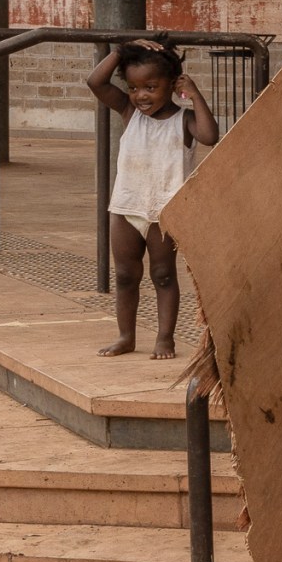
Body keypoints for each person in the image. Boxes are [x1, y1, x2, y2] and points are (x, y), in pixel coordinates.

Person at [85, 40, 218, 359]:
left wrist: (195, 94)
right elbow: (95, 82)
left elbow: (210, 137)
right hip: (126, 208)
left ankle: (165, 339)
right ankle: (126, 336)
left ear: (173, 85)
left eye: (150, 87)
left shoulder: (183, 121)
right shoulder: (130, 112)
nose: (140, 95)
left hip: (165, 213)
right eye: (133, 87)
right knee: (126, 276)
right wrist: (121, 49)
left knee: (163, 274)